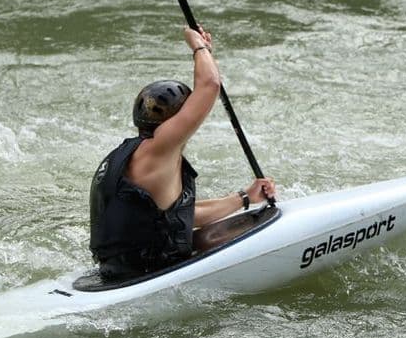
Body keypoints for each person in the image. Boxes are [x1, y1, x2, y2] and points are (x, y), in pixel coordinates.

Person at [89, 25, 276, 279]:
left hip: (122, 270)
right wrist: (197, 46)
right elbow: (209, 84)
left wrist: (244, 197)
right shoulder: (160, 148)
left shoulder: (137, 155)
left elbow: (177, 218)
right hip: (147, 272)